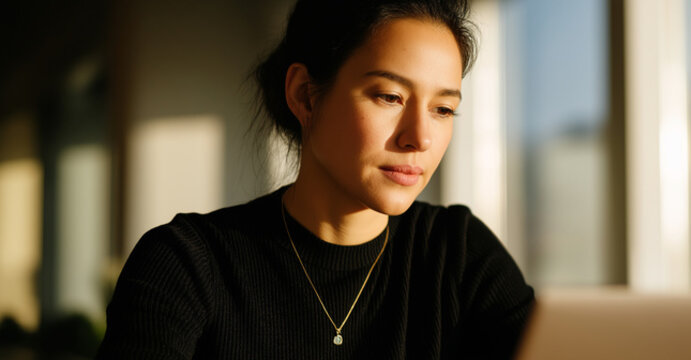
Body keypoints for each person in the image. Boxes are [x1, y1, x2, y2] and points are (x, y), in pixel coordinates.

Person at [96, 0, 534, 358]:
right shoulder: (187, 264)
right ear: (305, 94)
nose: (419, 137)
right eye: (390, 96)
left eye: (442, 108)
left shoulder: (457, 253)